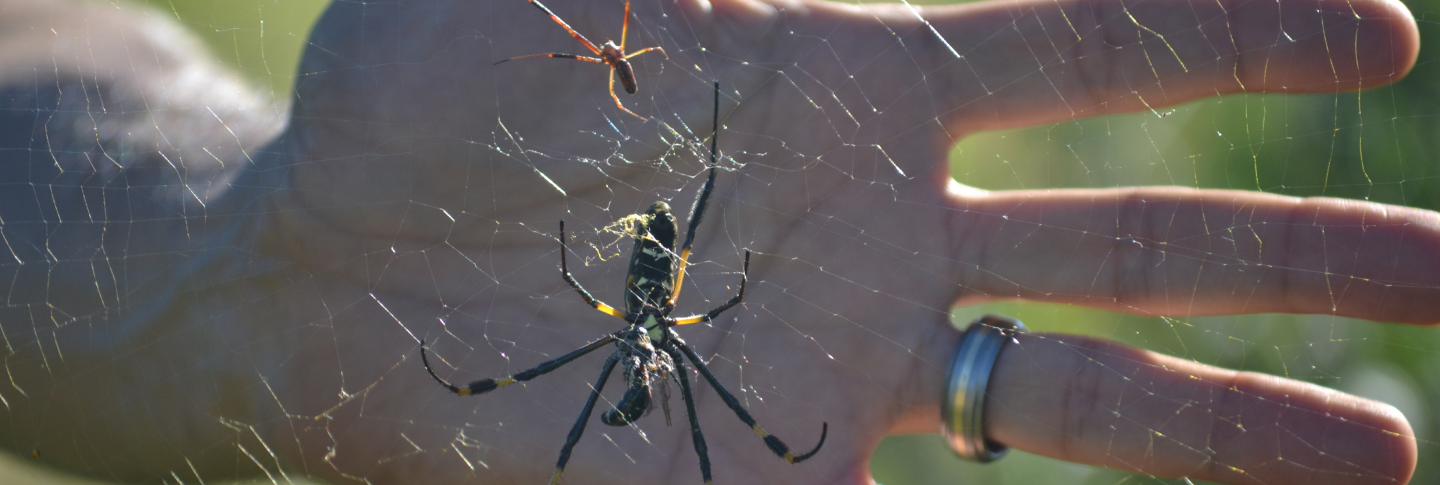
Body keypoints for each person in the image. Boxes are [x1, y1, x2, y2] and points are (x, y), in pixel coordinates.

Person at [0, 0, 1427, 483]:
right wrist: (286, 267)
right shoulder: (645, 302)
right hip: (634, 287)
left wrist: (258, 260)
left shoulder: (647, 304)